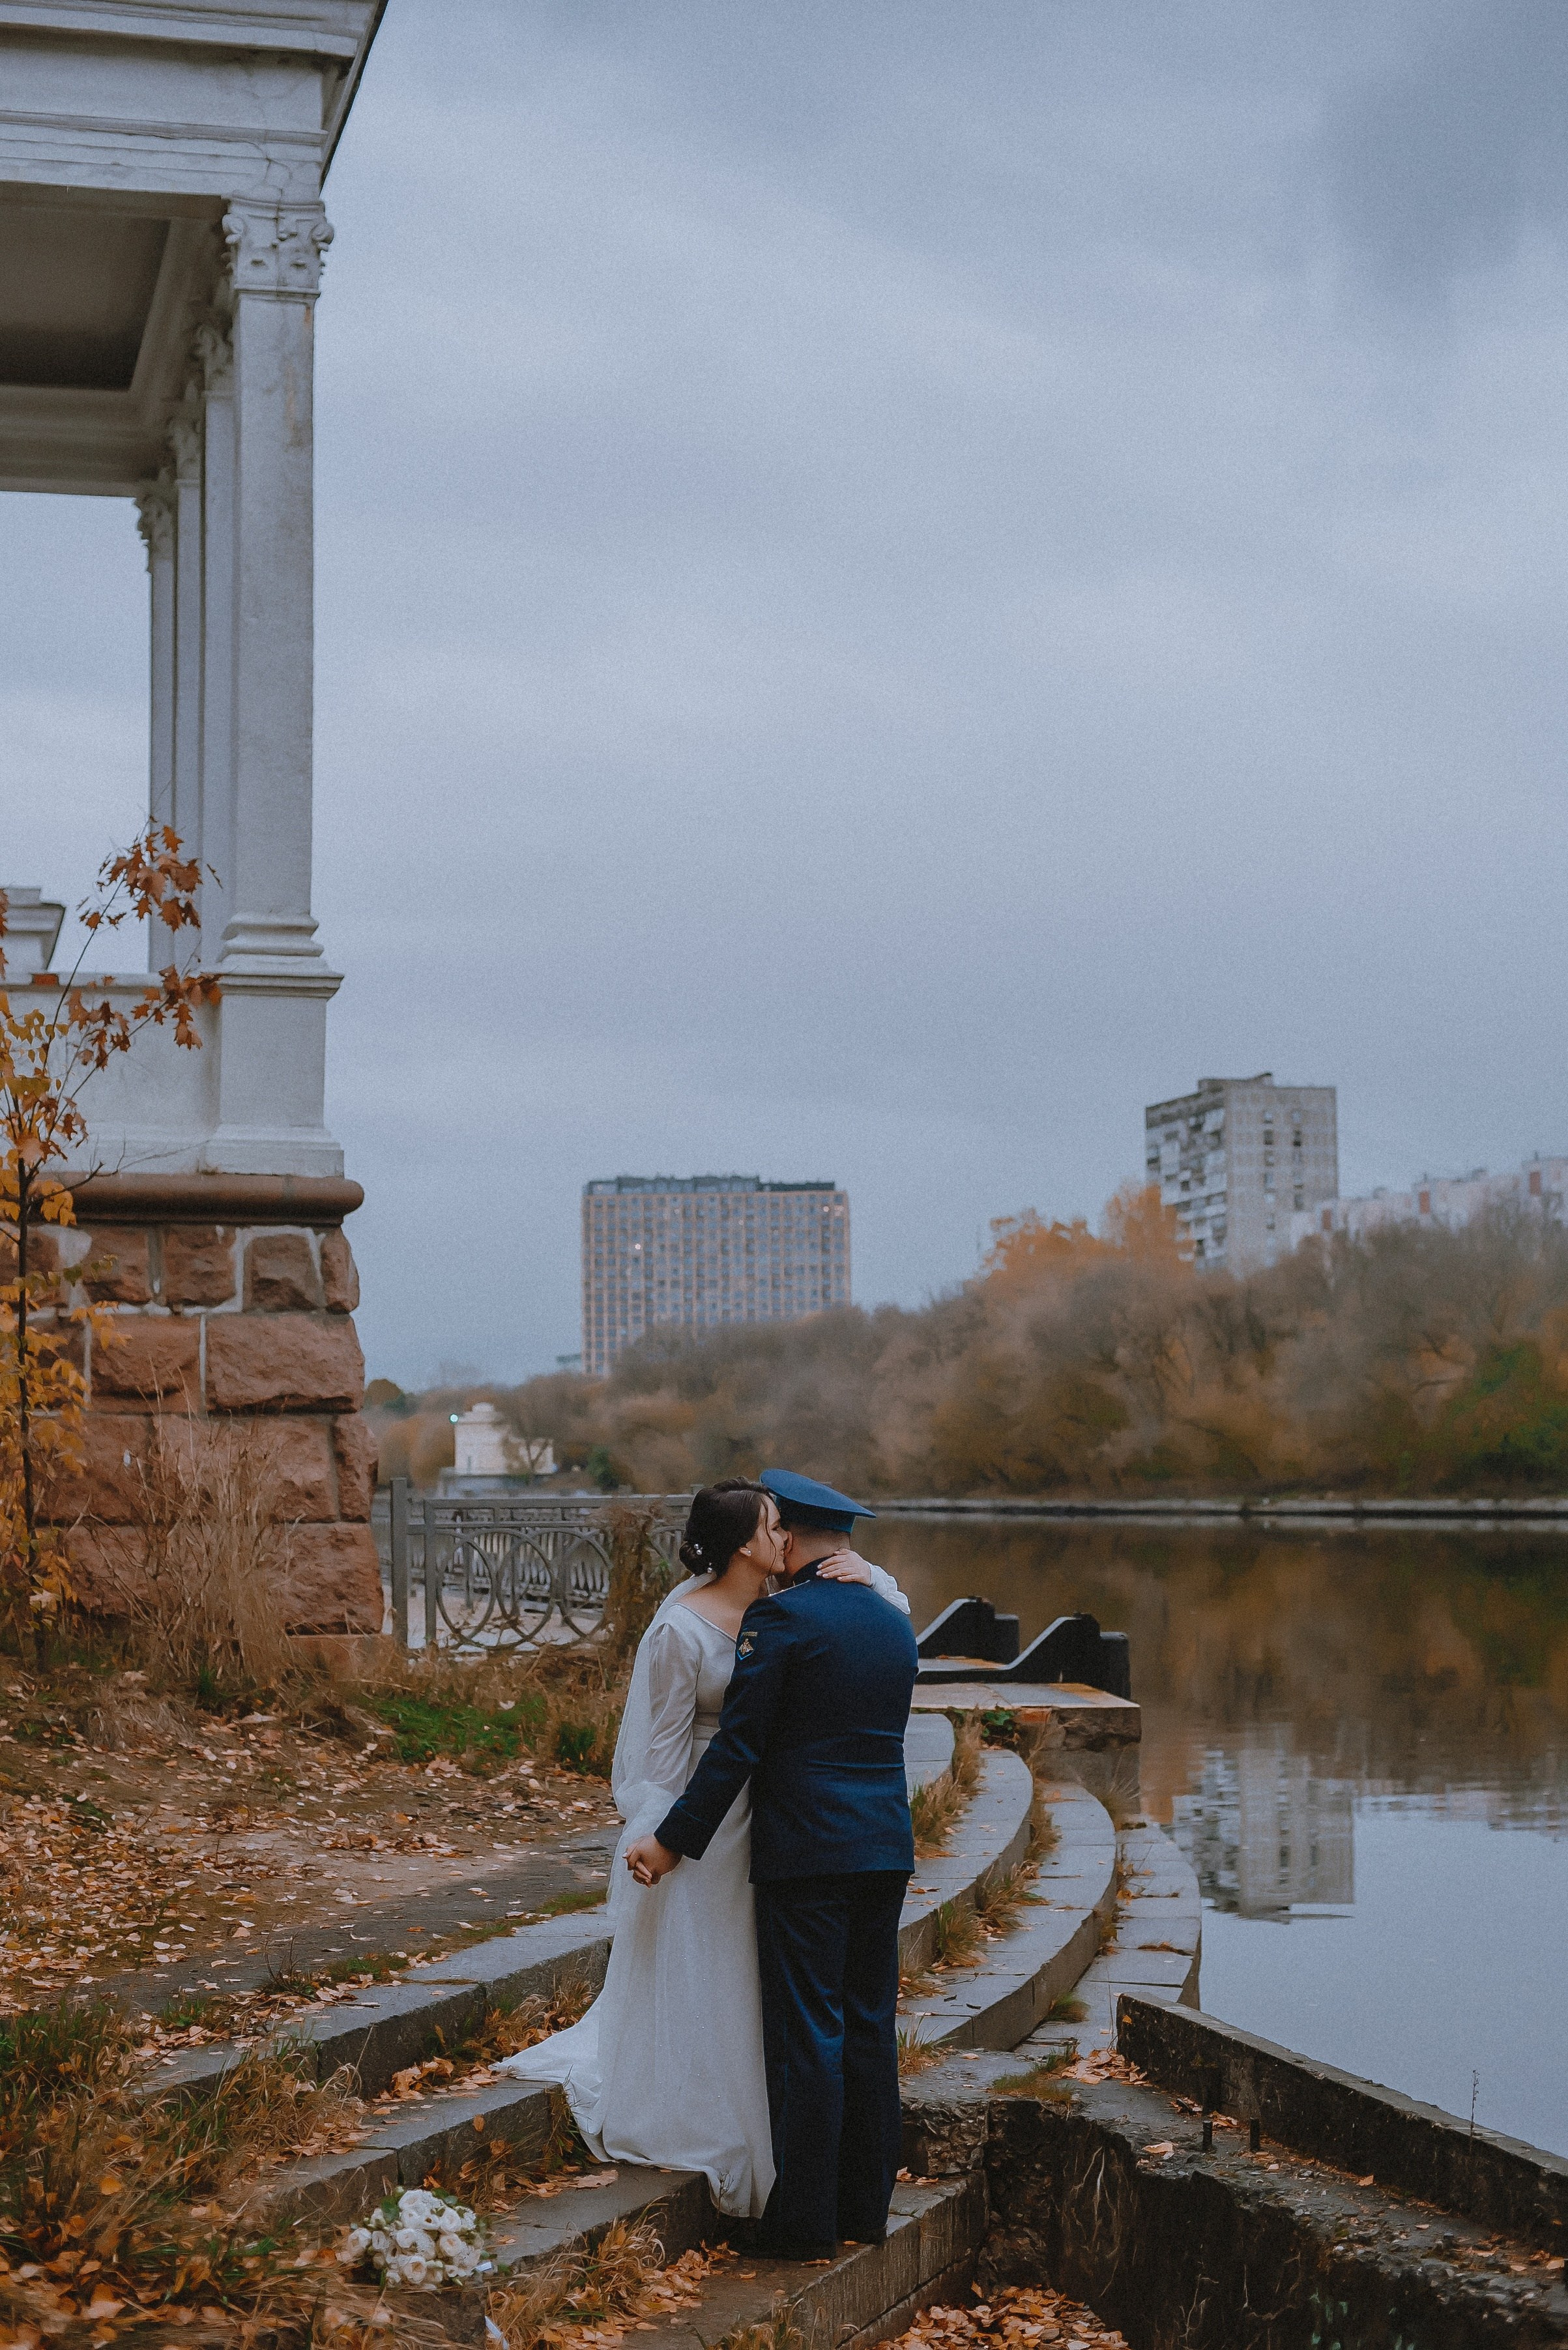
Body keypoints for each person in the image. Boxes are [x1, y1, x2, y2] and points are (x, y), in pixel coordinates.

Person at [497, 1476, 910, 2220]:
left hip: (782, 1821)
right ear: (748, 1543)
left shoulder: (787, 1612)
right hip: (741, 1817)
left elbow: (752, 1732)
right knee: (812, 2007)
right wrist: (663, 1834)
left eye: (788, 1525)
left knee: (801, 2012)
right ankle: (842, 2194)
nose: (783, 1535)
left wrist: (868, 1570)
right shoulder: (692, 1625)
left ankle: (809, 2206)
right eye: (771, 1524)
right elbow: (668, 1753)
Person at [626, 1468, 920, 2261]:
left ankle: (803, 2224)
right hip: (886, 1847)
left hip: (809, 1854)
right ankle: (866, 2208)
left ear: (789, 1533)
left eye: (777, 1527)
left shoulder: (780, 1623)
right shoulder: (892, 1621)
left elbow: (737, 1749)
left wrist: (671, 1839)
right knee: (869, 2030)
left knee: (810, 2037)